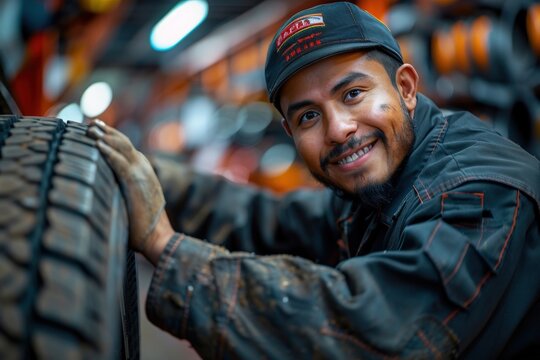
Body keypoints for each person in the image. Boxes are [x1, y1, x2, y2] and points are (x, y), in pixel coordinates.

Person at [87, 2, 540, 358]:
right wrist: (157, 179)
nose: (339, 129)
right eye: (308, 116)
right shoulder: (382, 185)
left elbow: (370, 334)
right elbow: (273, 221)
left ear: (405, 87)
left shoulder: (476, 196)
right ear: (290, 131)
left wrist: (166, 249)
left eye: (353, 93)